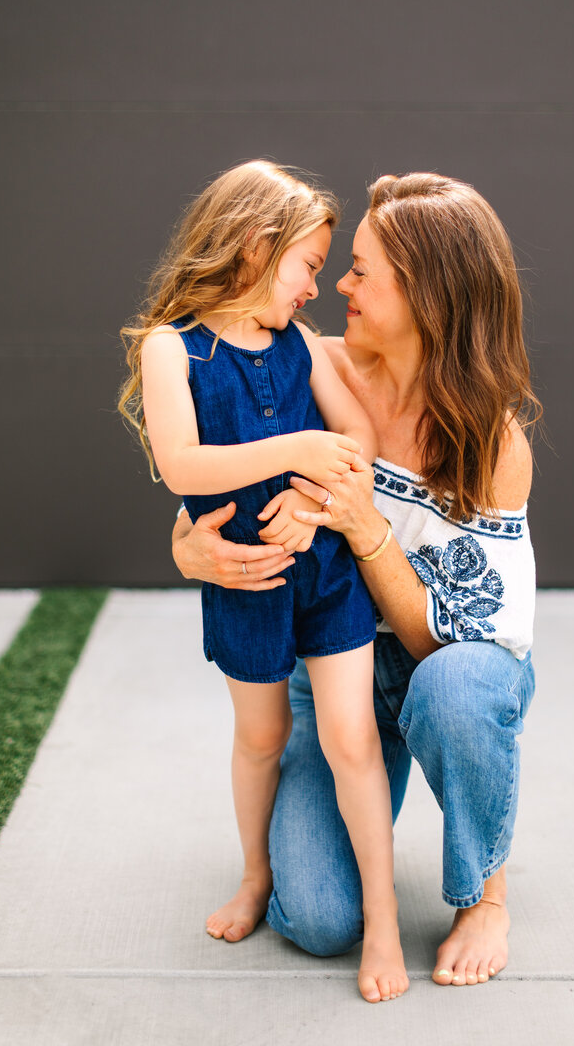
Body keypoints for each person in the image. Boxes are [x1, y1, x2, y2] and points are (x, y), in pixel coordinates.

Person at [172, 171, 541, 989]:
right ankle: (313, 868)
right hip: (333, 669)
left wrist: (361, 523)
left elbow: (454, 637)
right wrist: (189, 550)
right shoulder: (307, 361)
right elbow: (221, 481)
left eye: (363, 270)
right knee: (314, 919)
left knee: (457, 690)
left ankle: (485, 892)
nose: (338, 282)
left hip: (445, 659)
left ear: (429, 296)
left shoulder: (492, 441)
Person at [119, 160, 410, 1003]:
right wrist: (293, 453)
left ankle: (383, 916)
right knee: (262, 737)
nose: (317, 287)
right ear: (256, 246)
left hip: (324, 577)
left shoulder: (297, 347)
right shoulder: (173, 349)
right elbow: (182, 463)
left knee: (348, 738)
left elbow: (354, 438)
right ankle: (255, 874)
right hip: (244, 581)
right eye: (310, 265)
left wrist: (313, 504)